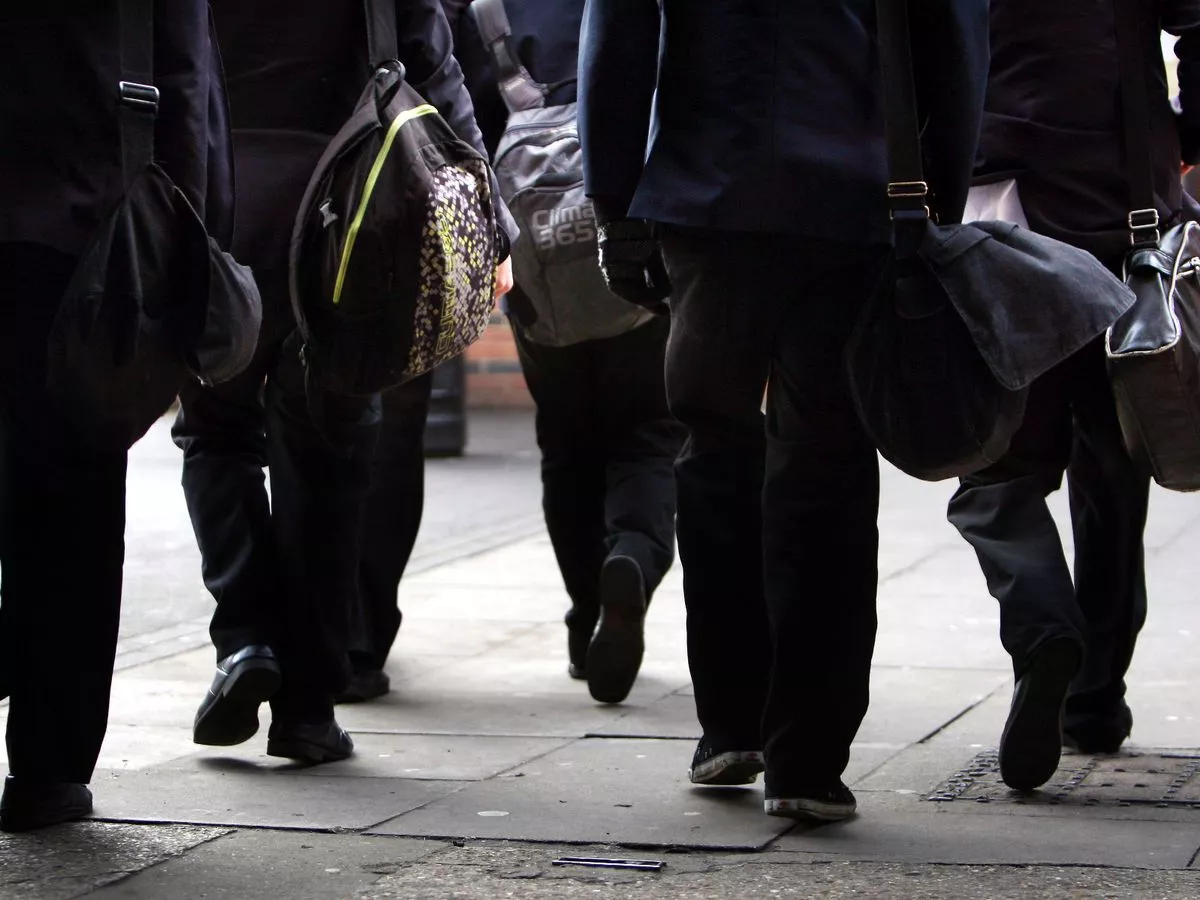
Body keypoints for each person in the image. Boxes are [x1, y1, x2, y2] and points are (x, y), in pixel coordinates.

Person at [579, 0, 989, 820]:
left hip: (710, 190)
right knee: (829, 466)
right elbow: (954, 33)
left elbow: (618, 32)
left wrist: (616, 205)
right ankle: (809, 758)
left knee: (716, 449)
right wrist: (940, 190)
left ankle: (730, 723)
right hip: (855, 196)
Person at [175, 0, 514, 761]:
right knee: (329, 454)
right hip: (350, 215)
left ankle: (245, 638)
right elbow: (434, 64)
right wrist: (488, 215)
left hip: (219, 203)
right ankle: (308, 707)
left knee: (214, 431)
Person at [946, 0, 1200, 791]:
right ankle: (1094, 699)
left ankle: (1041, 626)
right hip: (1123, 196)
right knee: (1115, 459)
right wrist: (1183, 134)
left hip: (995, 203)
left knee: (997, 466)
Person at [0, 2, 231, 831]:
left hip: (75, 221)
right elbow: (185, 75)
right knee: (73, 496)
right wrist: (190, 248)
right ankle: (49, 768)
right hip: (85, 234)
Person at [456, 0, 685, 703]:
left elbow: (466, 138)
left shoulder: (492, 9)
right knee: (647, 437)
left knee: (566, 446)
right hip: (635, 250)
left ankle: (588, 615)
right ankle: (633, 560)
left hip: (542, 274)